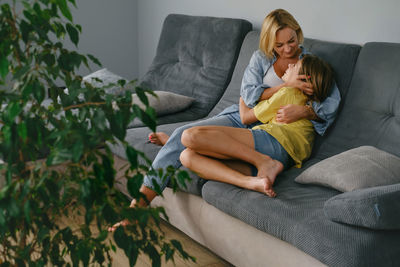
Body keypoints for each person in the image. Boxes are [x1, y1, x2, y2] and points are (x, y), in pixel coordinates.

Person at [109, 9, 340, 231]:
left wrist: (305, 112)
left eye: (291, 41)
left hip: (273, 127)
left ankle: (177, 143)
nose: (288, 49)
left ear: (297, 33)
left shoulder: (308, 63)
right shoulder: (261, 57)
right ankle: (138, 208)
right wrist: (285, 86)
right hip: (245, 119)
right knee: (183, 138)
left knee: (186, 143)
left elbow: (328, 103)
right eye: (279, 45)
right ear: (269, 43)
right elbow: (248, 98)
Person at [179, 54, 333, 197]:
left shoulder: (290, 92)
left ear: (304, 79)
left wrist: (243, 96)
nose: (291, 65)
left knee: (189, 135)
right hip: (285, 158)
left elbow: (246, 117)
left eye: (296, 66)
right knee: (187, 156)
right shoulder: (307, 102)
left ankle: (263, 162)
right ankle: (250, 182)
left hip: (274, 139)